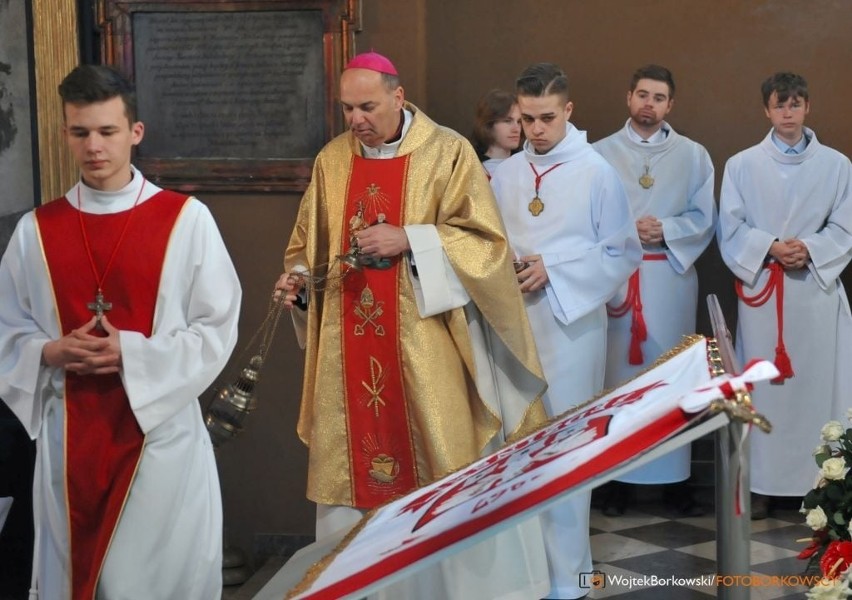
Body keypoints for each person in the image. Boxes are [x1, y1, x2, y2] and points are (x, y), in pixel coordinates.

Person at [275, 52, 550, 598]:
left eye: (368, 107)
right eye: (348, 108)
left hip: (428, 349)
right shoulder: (333, 160)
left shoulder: (446, 152)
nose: (356, 119)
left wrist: (412, 239)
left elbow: (489, 248)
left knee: (442, 460)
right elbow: (306, 247)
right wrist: (300, 281)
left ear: (398, 98)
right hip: (348, 346)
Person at [0, 65, 241, 598]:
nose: (94, 147)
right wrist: (48, 350)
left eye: (107, 132)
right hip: (69, 435)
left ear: (135, 132)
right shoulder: (35, 231)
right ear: (65, 133)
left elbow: (215, 327)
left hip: (159, 439)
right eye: (80, 132)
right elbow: (5, 329)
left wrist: (130, 354)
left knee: (145, 581)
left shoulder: (187, 220)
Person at [490, 62, 642, 600]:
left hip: (570, 327)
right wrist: (506, 264)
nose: (535, 129)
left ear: (569, 111)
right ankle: (523, 576)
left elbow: (622, 251)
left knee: (566, 448)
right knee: (514, 449)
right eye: (526, 118)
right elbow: (487, 243)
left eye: (547, 118)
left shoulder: (596, 171)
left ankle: (569, 579)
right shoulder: (502, 175)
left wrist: (551, 266)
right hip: (510, 326)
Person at [718, 72, 852, 520]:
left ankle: (815, 486)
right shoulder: (742, 165)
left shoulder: (837, 165)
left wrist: (809, 248)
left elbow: (845, 226)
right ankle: (760, 485)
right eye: (780, 105)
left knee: (816, 390)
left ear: (808, 107)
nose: (788, 112)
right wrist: (770, 246)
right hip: (765, 295)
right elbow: (731, 227)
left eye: (796, 104)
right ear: (767, 110)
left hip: (813, 294)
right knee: (762, 391)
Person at [593, 65, 717, 517]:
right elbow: (587, 218)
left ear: (670, 105)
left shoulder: (694, 155)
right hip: (617, 283)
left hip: (670, 279)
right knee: (617, 382)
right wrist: (628, 230)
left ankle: (675, 482)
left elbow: (705, 219)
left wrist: (665, 228)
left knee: (672, 378)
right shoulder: (599, 153)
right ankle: (615, 482)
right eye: (642, 94)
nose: (649, 104)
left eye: (659, 97)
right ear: (628, 98)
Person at [471, 89, 523, 178]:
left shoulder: (528, 166)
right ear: (489, 124)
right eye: (507, 121)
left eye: (519, 121)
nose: (516, 129)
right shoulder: (473, 171)